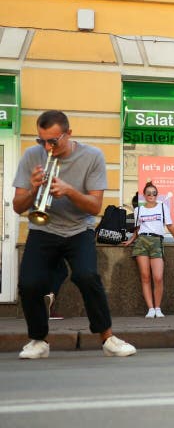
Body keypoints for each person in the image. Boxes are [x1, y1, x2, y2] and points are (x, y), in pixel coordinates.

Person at [13, 110, 136, 359]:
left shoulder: (92, 156)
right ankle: (39, 341)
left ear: (68, 134)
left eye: (53, 141)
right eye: (42, 140)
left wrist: (69, 191)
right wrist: (34, 188)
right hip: (42, 228)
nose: (47, 147)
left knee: (87, 276)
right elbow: (17, 206)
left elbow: (94, 206)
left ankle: (108, 337)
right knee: (28, 284)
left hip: (79, 229)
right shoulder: (31, 155)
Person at [122, 182, 174, 318]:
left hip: (156, 242)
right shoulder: (138, 210)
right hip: (141, 242)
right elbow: (137, 229)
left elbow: (170, 226)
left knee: (158, 277)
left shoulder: (162, 207)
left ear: (157, 195)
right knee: (145, 277)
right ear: (145, 196)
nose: (151, 195)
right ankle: (150, 309)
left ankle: (158, 308)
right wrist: (131, 240)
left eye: (154, 193)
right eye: (148, 193)